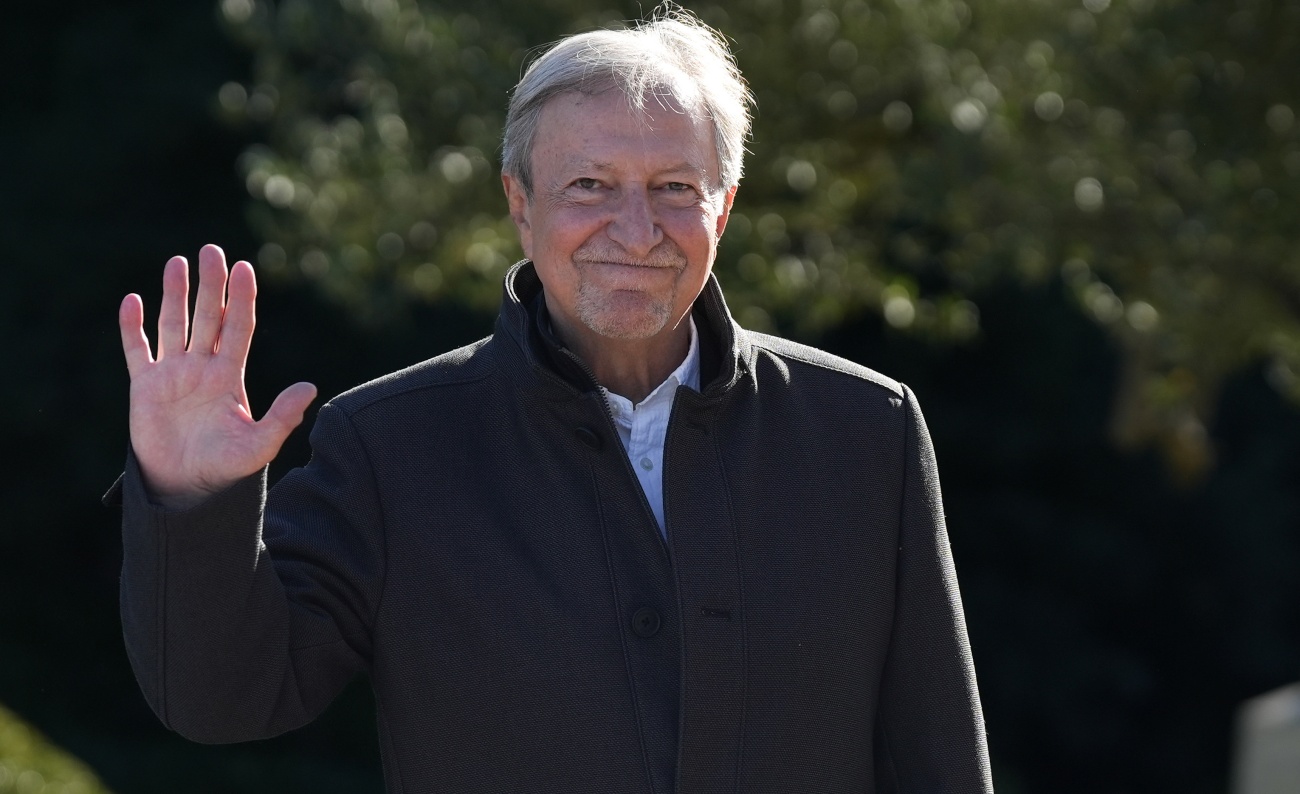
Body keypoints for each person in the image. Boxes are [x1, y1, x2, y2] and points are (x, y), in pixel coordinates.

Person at [109, 8, 993, 792]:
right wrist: (193, 502)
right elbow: (225, 697)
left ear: (722, 210)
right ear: (519, 205)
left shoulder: (864, 429)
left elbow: (938, 758)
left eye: (675, 189)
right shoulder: (389, 446)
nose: (636, 230)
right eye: (590, 186)